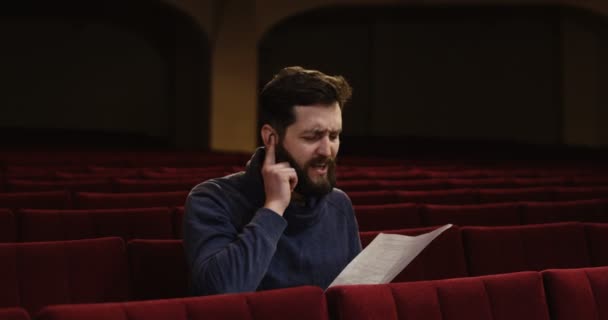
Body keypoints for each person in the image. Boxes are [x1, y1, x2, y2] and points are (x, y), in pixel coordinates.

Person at [183, 66, 362, 296]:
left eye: (334, 136)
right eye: (312, 137)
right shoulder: (211, 199)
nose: (327, 150)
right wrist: (274, 207)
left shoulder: (339, 204)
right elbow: (220, 293)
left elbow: (353, 295)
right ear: (271, 138)